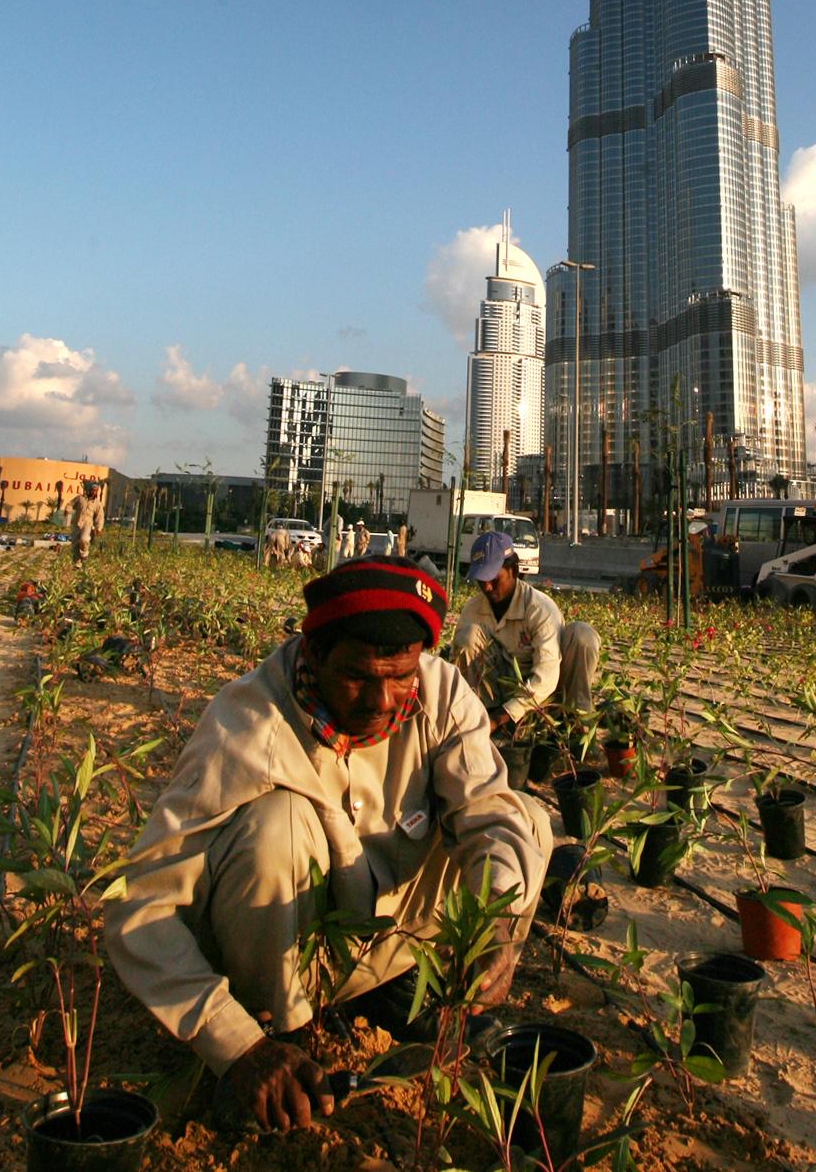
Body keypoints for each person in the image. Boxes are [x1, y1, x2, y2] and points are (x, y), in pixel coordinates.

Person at [105, 556, 550, 1134]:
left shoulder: (441, 697)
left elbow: (489, 816)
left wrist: (498, 926)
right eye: (358, 676)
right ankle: (279, 1035)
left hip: (394, 940)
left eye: (400, 676)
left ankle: (394, 991)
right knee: (277, 828)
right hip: (287, 958)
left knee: (526, 823)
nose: (382, 701)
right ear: (312, 653)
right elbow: (140, 908)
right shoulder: (248, 724)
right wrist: (233, 1042)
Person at [452, 532, 600, 733]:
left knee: (581, 635)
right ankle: (488, 722)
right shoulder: (473, 610)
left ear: (513, 570)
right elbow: (457, 666)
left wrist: (506, 714)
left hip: (548, 696)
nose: (487, 587)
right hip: (500, 696)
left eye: (494, 579)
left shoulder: (539, 608)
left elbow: (547, 676)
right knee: (466, 637)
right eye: (481, 580)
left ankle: (576, 724)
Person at [69, 482, 103, 567]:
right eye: (93, 490)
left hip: (87, 524)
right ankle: (78, 563)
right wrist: (67, 510)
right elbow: (70, 504)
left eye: (96, 491)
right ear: (89, 490)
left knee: (84, 539)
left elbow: (100, 516)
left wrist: (99, 528)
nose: (94, 492)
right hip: (77, 524)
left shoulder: (97, 503)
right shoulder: (80, 498)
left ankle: (84, 554)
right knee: (76, 545)